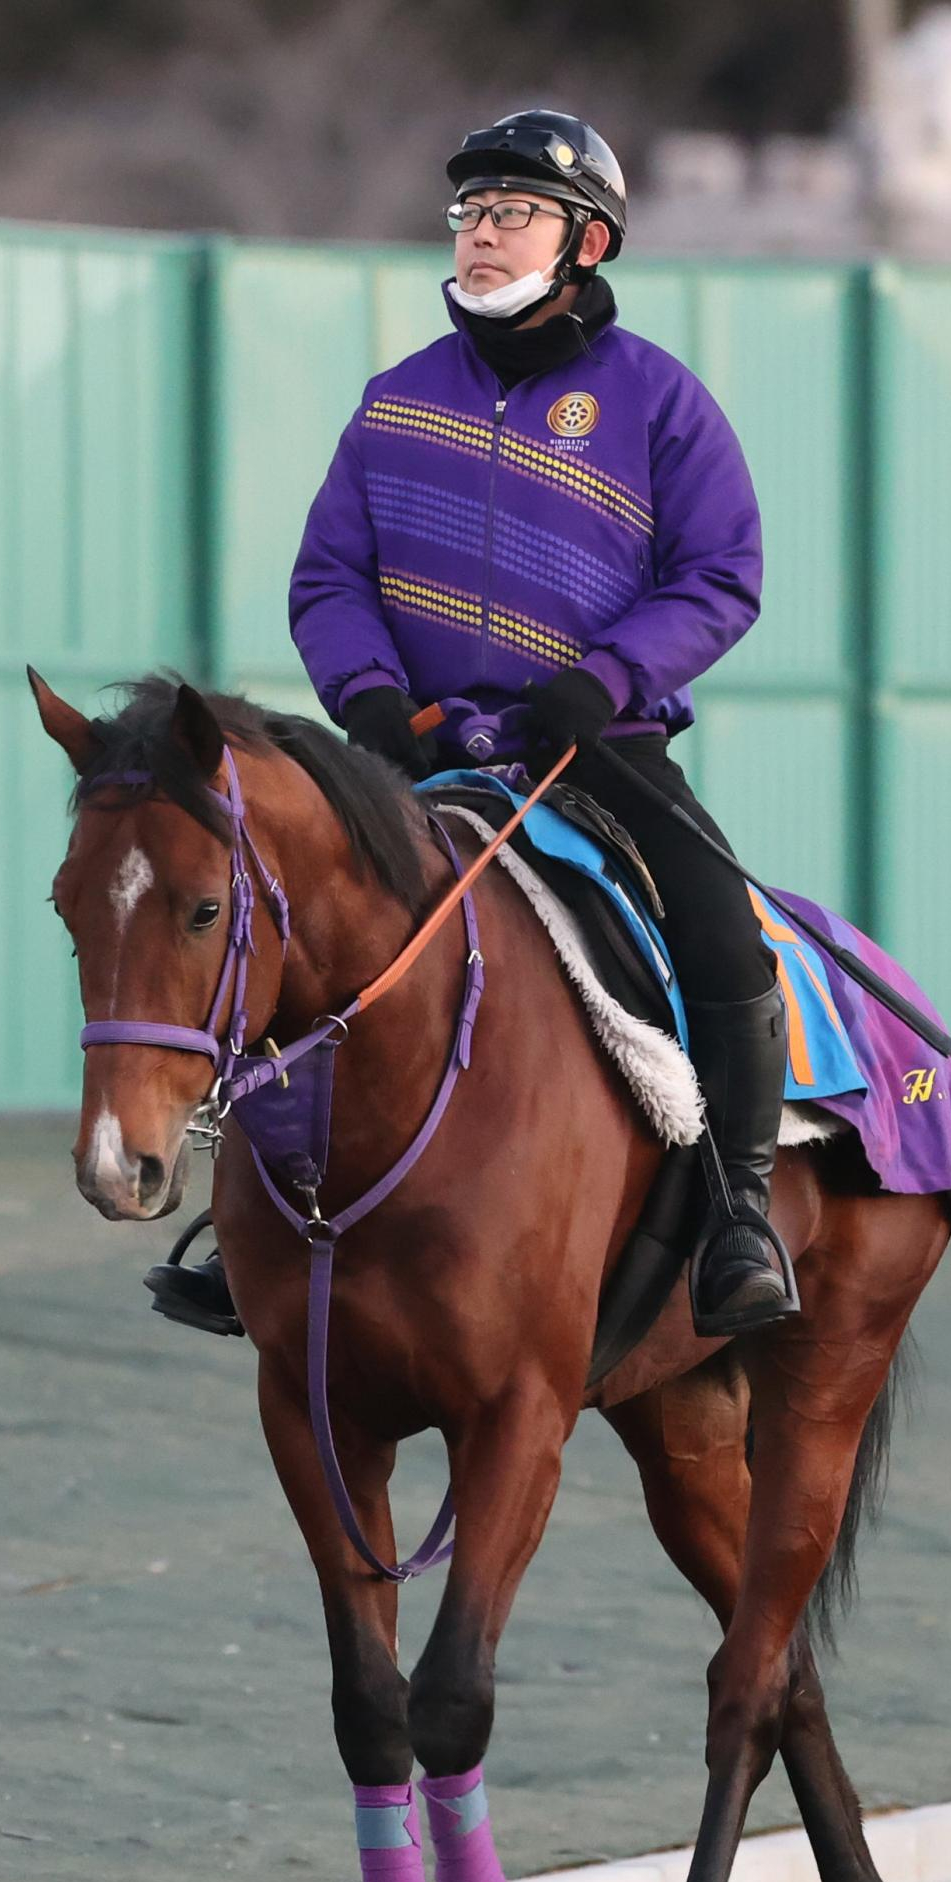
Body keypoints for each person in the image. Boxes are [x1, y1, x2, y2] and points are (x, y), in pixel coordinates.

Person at [181, 109, 788, 1339]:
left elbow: (722, 574)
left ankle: (739, 1214)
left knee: (725, 937)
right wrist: (366, 699)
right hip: (410, 747)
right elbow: (329, 577)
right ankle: (245, 1221)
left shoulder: (660, 401)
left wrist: (607, 680)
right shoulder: (395, 402)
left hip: (596, 747)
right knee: (278, 920)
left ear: (588, 243)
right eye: (470, 212)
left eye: (515, 213)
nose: (481, 234)